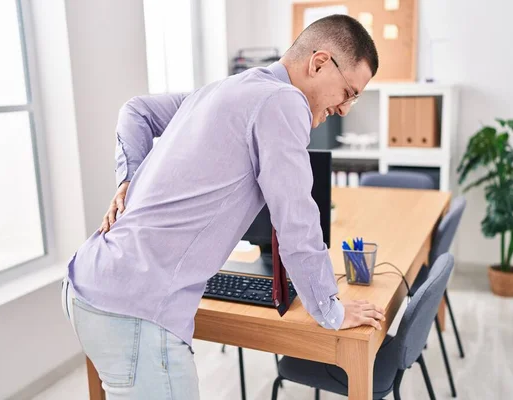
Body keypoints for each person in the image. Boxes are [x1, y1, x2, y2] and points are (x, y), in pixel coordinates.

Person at [61, 14, 385, 400]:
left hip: (90, 282)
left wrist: (127, 179)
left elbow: (137, 110)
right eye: (348, 91)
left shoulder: (223, 89)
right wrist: (331, 311)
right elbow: (296, 218)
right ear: (318, 63)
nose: (346, 108)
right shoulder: (284, 102)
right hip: (136, 311)